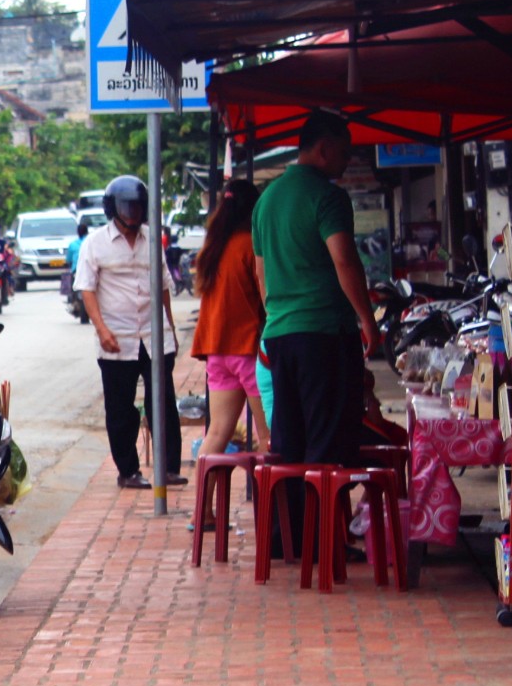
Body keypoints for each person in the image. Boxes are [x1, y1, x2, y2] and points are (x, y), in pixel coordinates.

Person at [250, 109, 383, 543]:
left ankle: (287, 540)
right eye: (344, 152)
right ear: (323, 148)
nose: (346, 162)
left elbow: (261, 272)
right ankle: (322, 543)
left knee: (288, 439)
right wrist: (367, 319)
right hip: (323, 332)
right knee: (327, 441)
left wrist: (276, 316)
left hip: (280, 335)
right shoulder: (327, 197)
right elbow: (345, 261)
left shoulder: (267, 198)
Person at [76, 175, 185, 490]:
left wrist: (171, 328)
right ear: (114, 209)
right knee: (121, 408)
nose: (133, 213)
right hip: (116, 338)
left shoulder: (153, 239)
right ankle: (128, 470)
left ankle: (169, 468)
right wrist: (101, 329)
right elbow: (86, 289)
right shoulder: (95, 243)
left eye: (137, 207)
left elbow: (163, 285)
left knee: (162, 402)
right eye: (127, 207)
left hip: (154, 334)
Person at [189, 179, 271, 460]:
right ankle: (270, 505)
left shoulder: (213, 246)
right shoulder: (250, 244)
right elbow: (266, 296)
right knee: (268, 436)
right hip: (248, 351)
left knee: (216, 433)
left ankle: (204, 504)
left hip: (217, 352)